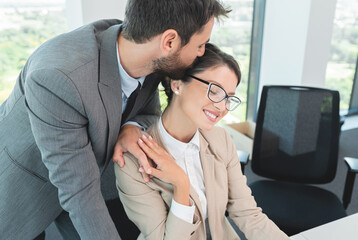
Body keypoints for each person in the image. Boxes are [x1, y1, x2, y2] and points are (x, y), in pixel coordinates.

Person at [0, 1, 229, 239]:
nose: (202, 52)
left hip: (88, 180)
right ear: (169, 42)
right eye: (200, 45)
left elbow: (149, 110)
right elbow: (79, 193)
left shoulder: (146, 52)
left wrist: (131, 127)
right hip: (22, 188)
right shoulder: (58, 77)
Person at [115, 43, 290, 240]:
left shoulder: (220, 139)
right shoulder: (132, 160)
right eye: (214, 90)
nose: (222, 106)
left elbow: (248, 214)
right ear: (177, 84)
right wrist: (181, 184)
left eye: (228, 98)